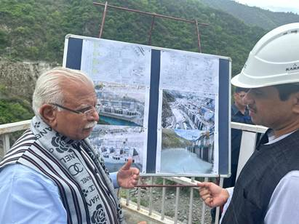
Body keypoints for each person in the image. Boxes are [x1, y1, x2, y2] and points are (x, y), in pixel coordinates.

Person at [0, 67, 140, 224]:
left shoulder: (68, 140)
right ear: (49, 113)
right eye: (85, 109)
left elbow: (71, 184)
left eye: (95, 106)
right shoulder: (22, 181)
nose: (96, 116)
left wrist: (114, 179)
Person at [198, 22, 299, 224]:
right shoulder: (275, 134)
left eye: (259, 92)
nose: (246, 99)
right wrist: (230, 195)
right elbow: (267, 193)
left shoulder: (294, 183)